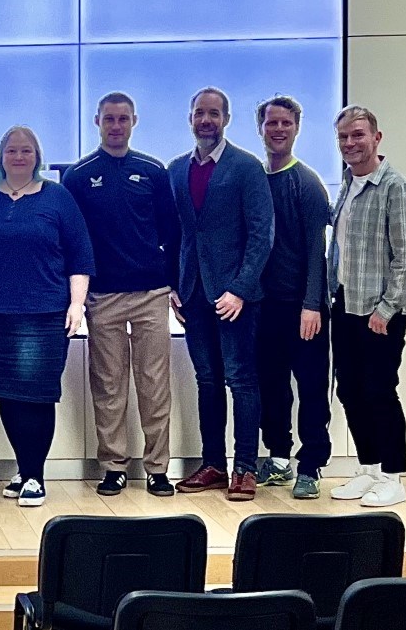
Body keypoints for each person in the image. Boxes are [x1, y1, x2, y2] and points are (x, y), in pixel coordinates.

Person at [0, 126, 94, 507]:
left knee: (36, 397)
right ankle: (24, 469)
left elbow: (80, 255)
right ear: (0, 156)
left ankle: (35, 475)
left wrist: (76, 304)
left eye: (26, 151)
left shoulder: (58, 197)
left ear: (37, 157)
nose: (19, 157)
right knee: (7, 394)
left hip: (44, 312)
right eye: (12, 151)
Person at [62, 92, 179, 497]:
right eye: (109, 119)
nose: (116, 126)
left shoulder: (152, 170)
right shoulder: (78, 176)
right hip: (103, 297)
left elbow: (171, 231)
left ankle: (158, 469)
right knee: (109, 386)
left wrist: (173, 282)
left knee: (154, 385)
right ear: (97, 121)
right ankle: (112, 466)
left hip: (150, 293)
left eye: (123, 119)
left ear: (134, 121)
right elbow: (72, 240)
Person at [167, 87, 273, 502]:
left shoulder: (246, 168)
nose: (206, 120)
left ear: (226, 118)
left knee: (242, 380)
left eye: (214, 113)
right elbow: (176, 233)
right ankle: (213, 464)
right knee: (207, 379)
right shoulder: (177, 170)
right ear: (190, 118)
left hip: (235, 299)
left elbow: (262, 235)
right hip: (192, 294)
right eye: (199, 113)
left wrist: (241, 289)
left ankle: (245, 467)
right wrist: (175, 284)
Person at [327, 105, 406, 508]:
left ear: (376, 138)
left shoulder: (396, 187)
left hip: (380, 311)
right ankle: (368, 469)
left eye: (359, 135)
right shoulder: (348, 183)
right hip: (345, 302)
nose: (351, 143)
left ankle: (392, 477)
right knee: (349, 390)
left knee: (380, 390)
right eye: (344, 137)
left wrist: (388, 309)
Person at [253, 96, 332, 500]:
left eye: (285, 123)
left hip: (304, 309)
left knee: (312, 387)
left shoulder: (307, 183)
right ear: (260, 127)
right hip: (264, 308)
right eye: (271, 123)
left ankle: (312, 465)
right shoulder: (254, 179)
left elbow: (316, 251)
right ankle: (279, 458)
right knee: (272, 386)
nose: (278, 129)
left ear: (297, 127)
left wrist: (312, 304)